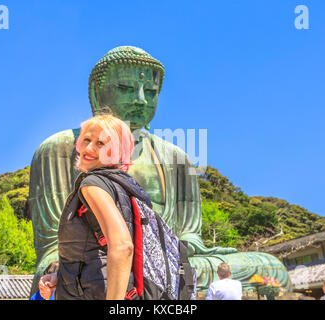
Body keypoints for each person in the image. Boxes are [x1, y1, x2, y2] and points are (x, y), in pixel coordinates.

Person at [28, 46, 291, 295]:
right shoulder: (59, 149)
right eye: (125, 87)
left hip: (158, 260)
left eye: (151, 92)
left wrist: (191, 246)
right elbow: (53, 245)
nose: (141, 99)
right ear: (97, 92)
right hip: (98, 264)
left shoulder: (176, 158)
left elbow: (186, 234)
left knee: (269, 267)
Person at [39, 114, 145, 300]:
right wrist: (61, 278)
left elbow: (122, 247)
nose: (88, 149)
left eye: (100, 144)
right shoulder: (126, 186)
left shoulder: (92, 184)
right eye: (86, 140)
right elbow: (96, 252)